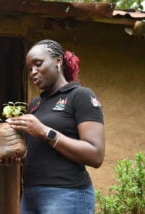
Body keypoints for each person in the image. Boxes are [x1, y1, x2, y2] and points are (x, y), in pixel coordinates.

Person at [7, 39, 105, 214]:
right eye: (29, 68)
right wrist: (16, 153)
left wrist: (44, 131)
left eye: (38, 64)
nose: (33, 72)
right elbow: (42, 152)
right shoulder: (36, 104)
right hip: (30, 194)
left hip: (67, 194)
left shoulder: (80, 96)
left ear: (58, 61)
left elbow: (95, 155)